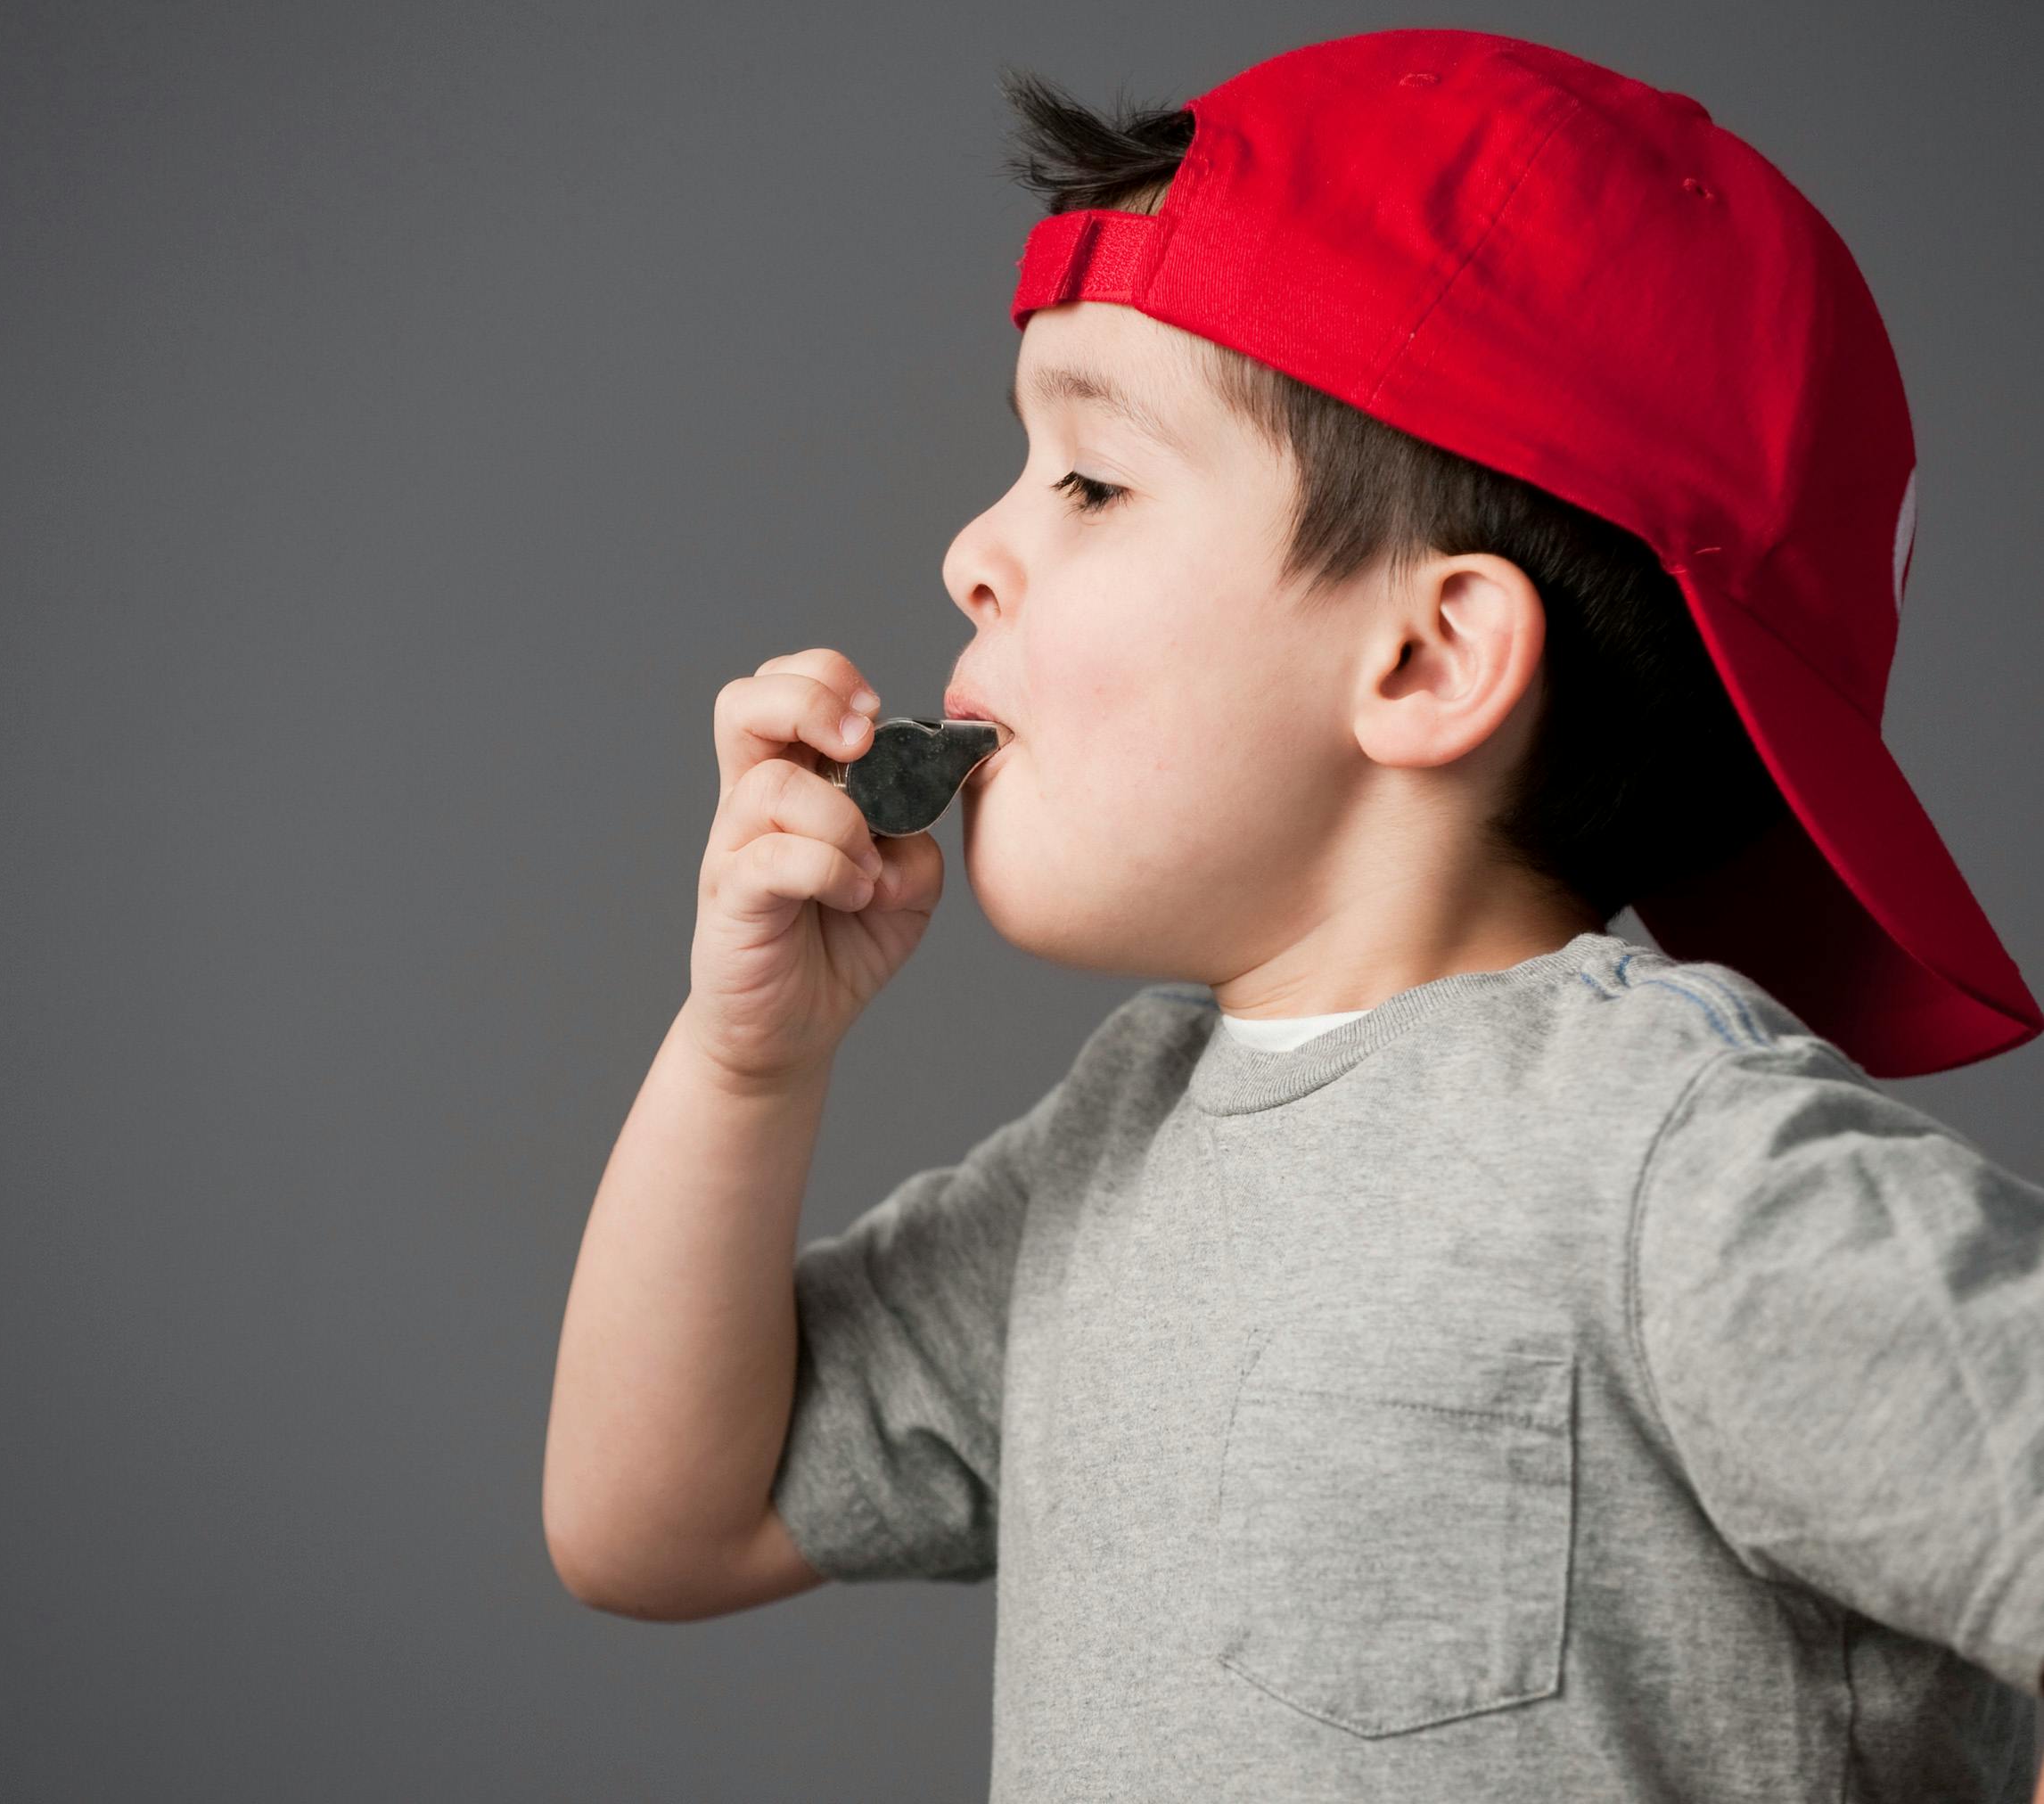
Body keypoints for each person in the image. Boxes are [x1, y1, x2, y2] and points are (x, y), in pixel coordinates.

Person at [543, 27, 2044, 1801]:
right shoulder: (1115, 1150)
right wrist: (746, 1065)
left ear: (1425, 658)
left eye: (1090, 478)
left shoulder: (1662, 1167)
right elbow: (658, 1524)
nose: (974, 546)